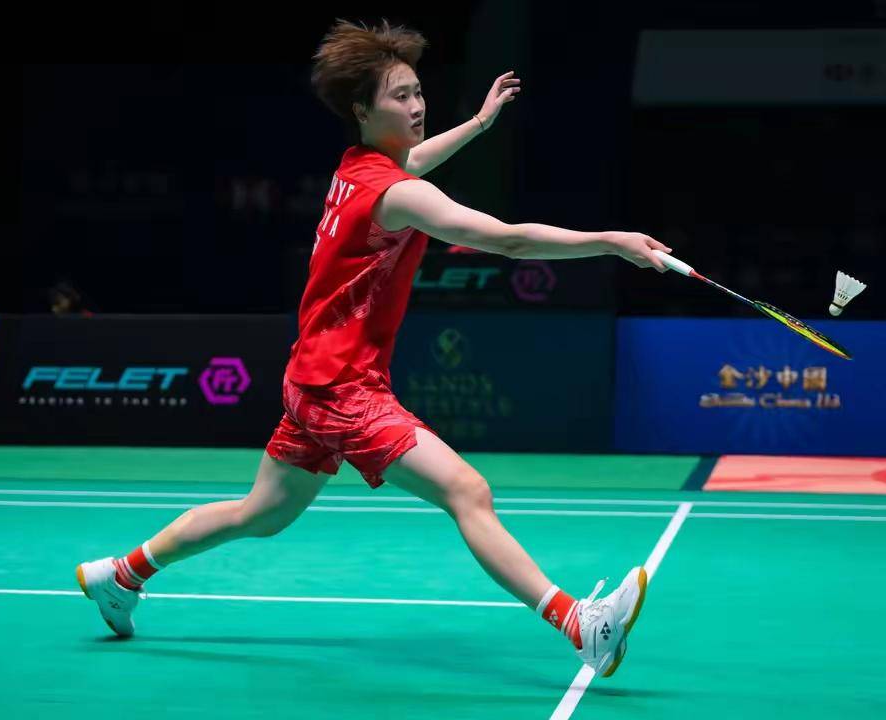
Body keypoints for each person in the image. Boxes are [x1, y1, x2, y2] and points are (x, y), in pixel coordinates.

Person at [77, 19, 672, 678]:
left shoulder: (358, 170)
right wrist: (611, 241)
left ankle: (119, 575)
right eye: (399, 96)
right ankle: (582, 626)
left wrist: (478, 124)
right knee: (466, 490)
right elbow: (506, 239)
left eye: (419, 92)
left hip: (311, 378)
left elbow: (413, 163)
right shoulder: (396, 193)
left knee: (260, 514)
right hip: (341, 387)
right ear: (362, 110)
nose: (416, 106)